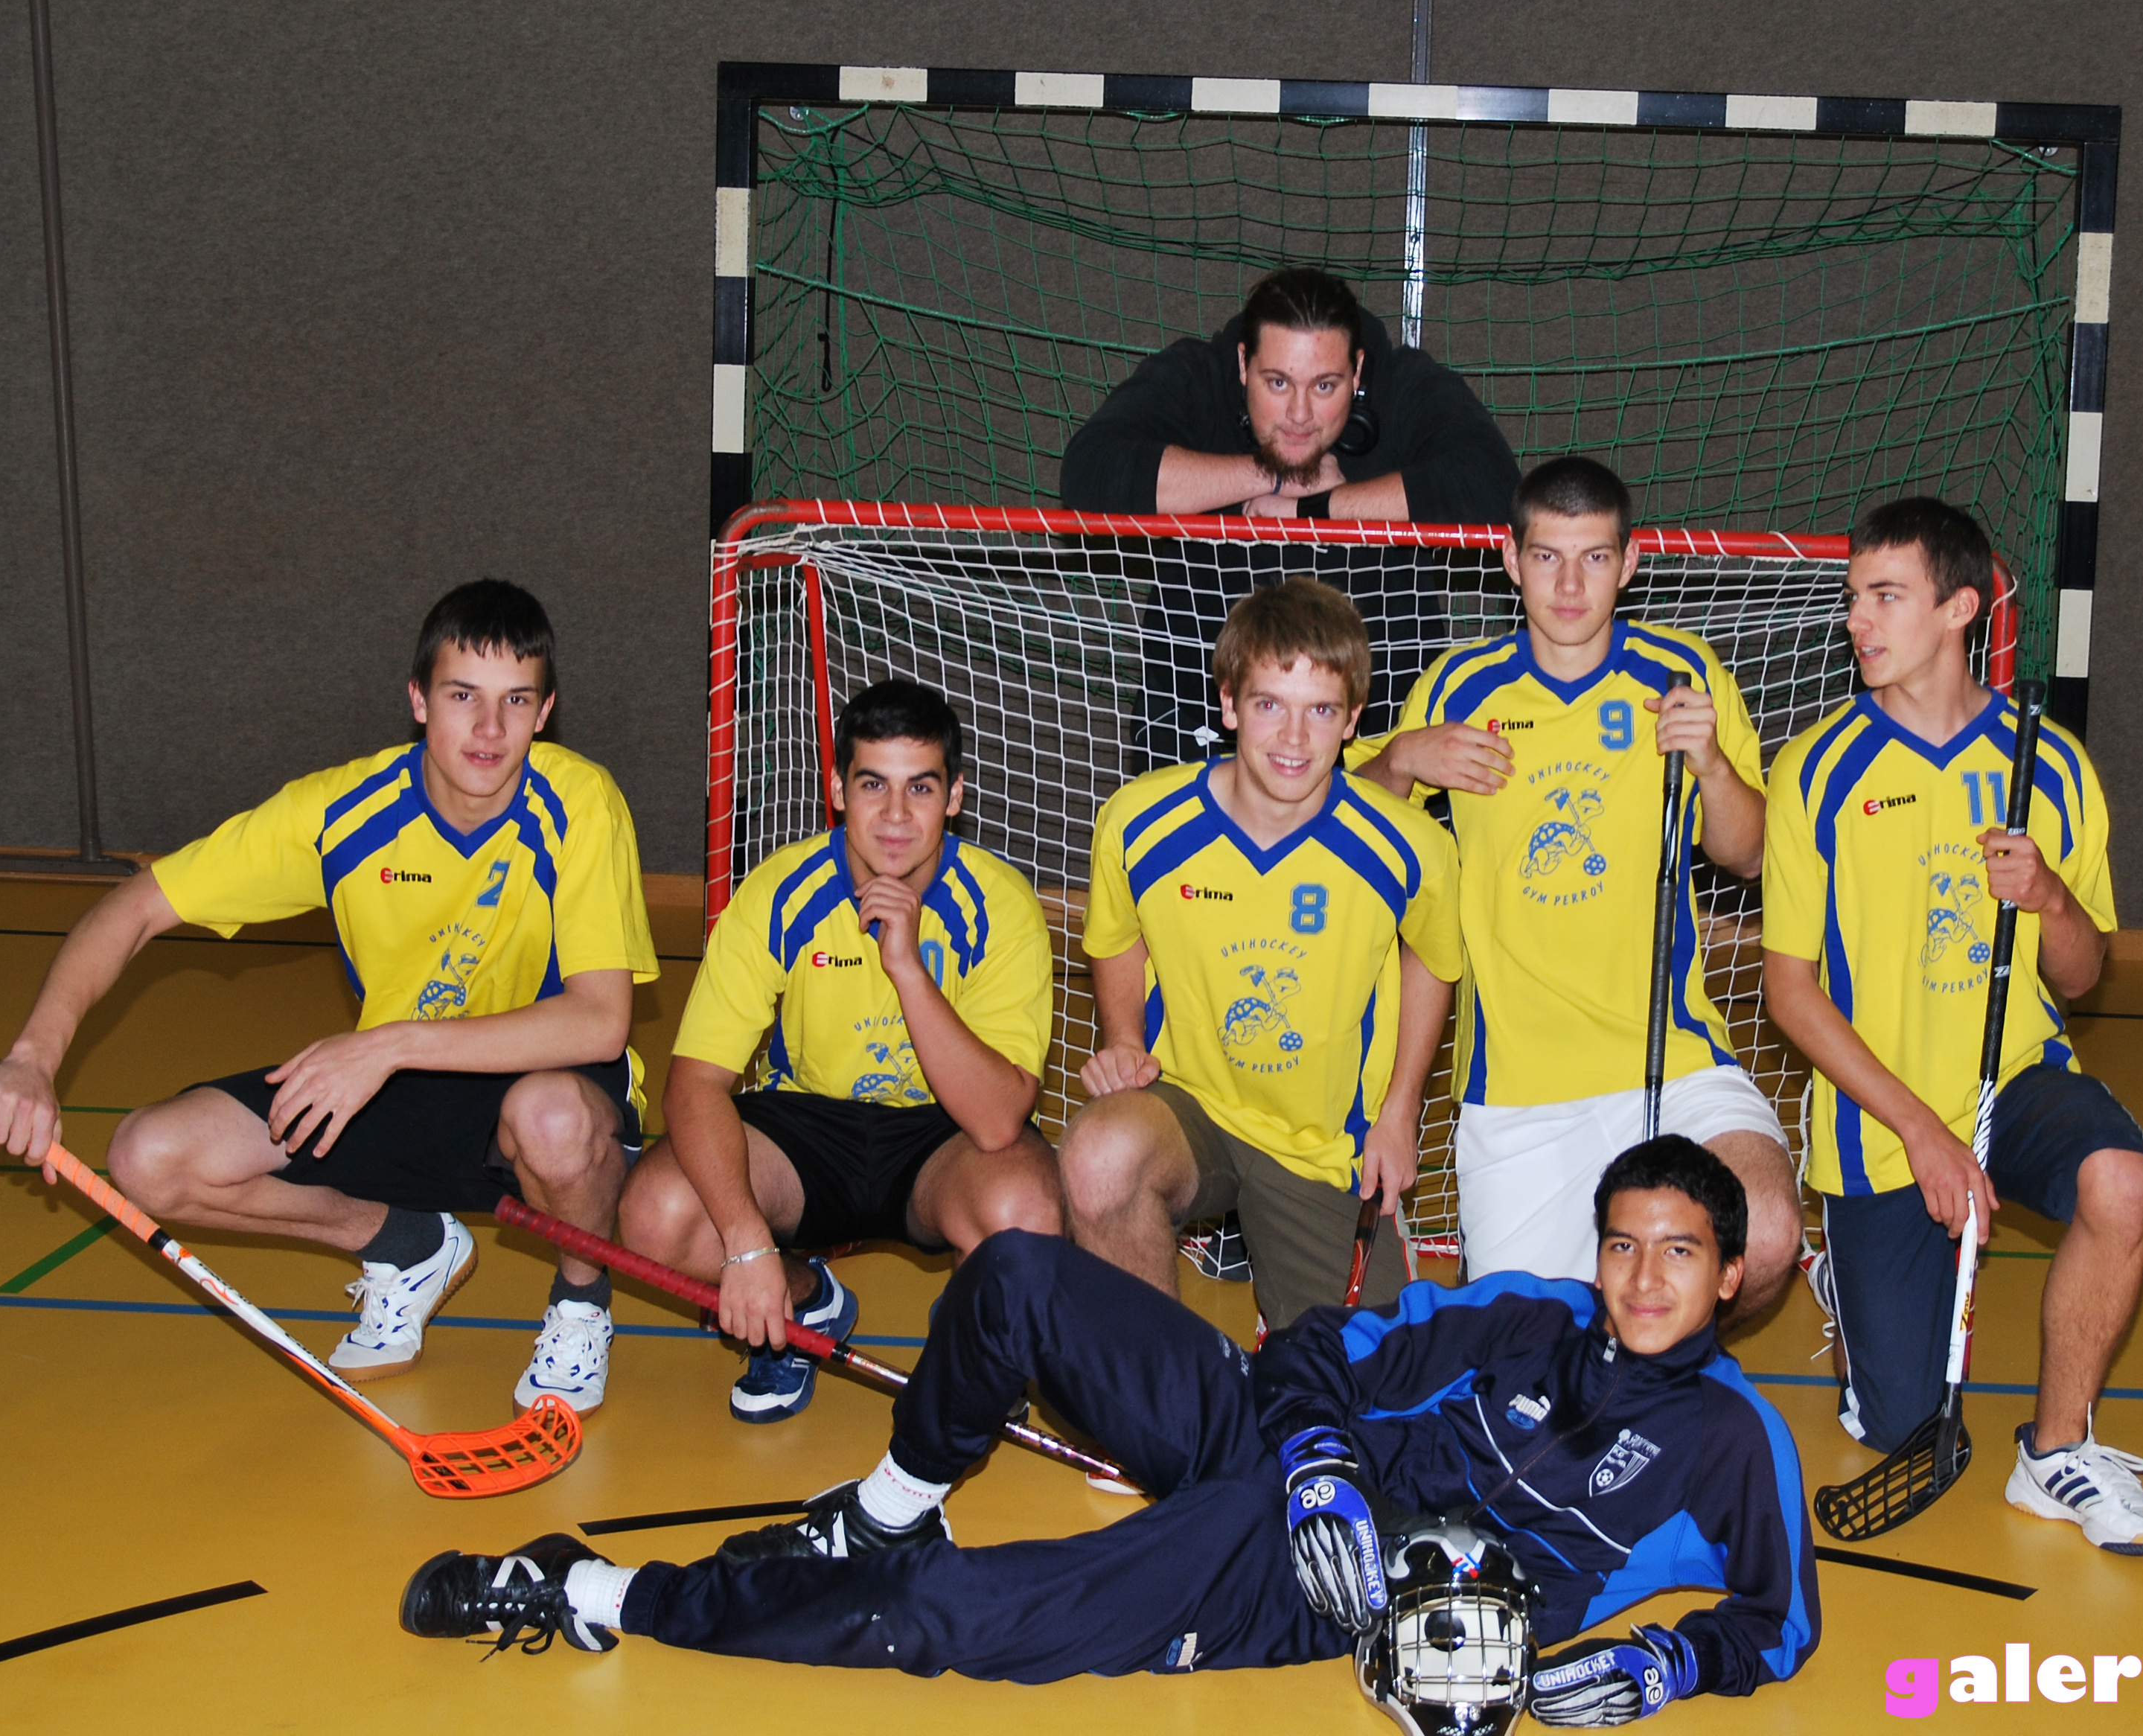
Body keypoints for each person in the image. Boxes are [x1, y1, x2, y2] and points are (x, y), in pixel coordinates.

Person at [396, 1135, 1821, 1720]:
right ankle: (886, 1505)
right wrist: (1320, 1456)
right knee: (1017, 1272)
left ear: (1730, 1274)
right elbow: (1319, 1351)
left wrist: (1665, 1664)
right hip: (1292, 1466)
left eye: (1679, 1252)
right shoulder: (1526, 1314)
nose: (1643, 1277)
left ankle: (593, 1589)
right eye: (1624, 1243)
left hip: (1314, 1582)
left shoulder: (1729, 1441)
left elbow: (1779, 1621)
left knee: (948, 1617)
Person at [0, 580, 658, 1412]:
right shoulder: (342, 812)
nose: (489, 729)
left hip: (541, 1082)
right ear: (418, 701)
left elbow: (599, 1021)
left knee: (551, 1118)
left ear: (544, 713)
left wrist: (387, 1045)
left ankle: (581, 1305)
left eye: (515, 700)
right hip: (401, 1084)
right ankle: (407, 1244)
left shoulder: (579, 803)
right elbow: (137, 908)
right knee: (150, 1158)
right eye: (462, 696)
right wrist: (32, 1059)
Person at [1760, 497, 2143, 1554]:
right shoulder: (1815, 771)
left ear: (1959, 608)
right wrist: (1922, 1132)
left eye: (1884, 597)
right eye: (1853, 598)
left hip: (2013, 1078)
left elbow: (2083, 973)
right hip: (1878, 1119)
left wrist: (2048, 898)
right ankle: (1846, 1276)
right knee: (1896, 1425)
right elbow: (1789, 992)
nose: (1856, 620)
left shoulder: (2050, 767)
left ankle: (2059, 1453)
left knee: (2121, 1179)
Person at [1355, 457, 1799, 1318]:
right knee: (1526, 1345)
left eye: (1593, 558)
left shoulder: (1681, 673)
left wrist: (1710, 765)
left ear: (1627, 564)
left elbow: (1749, 858)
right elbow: (1350, 837)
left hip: (1668, 1059)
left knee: (1767, 1231)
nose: (1568, 585)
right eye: (1547, 557)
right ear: (1510, 560)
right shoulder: (1458, 684)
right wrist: (1402, 760)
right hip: (1514, 1090)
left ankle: (1662, 1373)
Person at [616, 681, 1060, 1422]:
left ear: (954, 797)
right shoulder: (780, 894)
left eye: (920, 788)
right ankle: (804, 1303)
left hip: (941, 1133)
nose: (895, 816)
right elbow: (693, 1084)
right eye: (872, 785)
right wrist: (747, 1246)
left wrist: (908, 969)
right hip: (807, 1127)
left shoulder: (999, 906)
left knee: (1024, 1212)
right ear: (837, 791)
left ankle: (973, 1338)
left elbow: (995, 1120)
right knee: (658, 1214)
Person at [1061, 578, 1460, 1331]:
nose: (1293, 738)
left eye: (1321, 711)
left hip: (1323, 1145)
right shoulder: (1140, 821)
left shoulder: (1407, 846)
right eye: (1270, 704)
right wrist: (1124, 1042)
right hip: (1188, 1105)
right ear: (1228, 704)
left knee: (1369, 1377)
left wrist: (1400, 1110)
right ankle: (1165, 1385)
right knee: (1098, 1155)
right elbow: (1116, 938)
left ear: (1353, 720)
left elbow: (1433, 959)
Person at [1060, 267, 1519, 766]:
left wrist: (1321, 507)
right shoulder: (1199, 376)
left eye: (1325, 386)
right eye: (1277, 383)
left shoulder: (1403, 383)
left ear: (1358, 371)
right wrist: (1270, 474)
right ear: (1243, 363)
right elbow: (1090, 473)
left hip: (1378, 733)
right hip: (1201, 722)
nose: (1299, 415)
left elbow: (1495, 486)